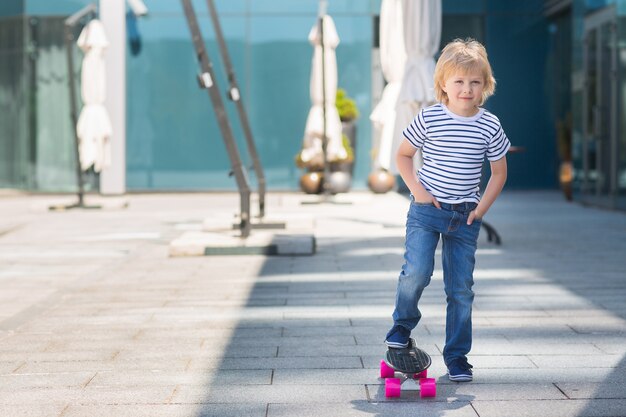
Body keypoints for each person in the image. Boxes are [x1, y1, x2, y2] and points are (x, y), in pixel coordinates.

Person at [384, 38, 510, 382]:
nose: (466, 89)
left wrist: (480, 210)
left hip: (465, 216)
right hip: (426, 212)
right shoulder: (429, 117)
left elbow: (499, 172)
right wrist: (419, 192)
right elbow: (403, 156)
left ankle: (456, 358)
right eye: (459, 81)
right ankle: (401, 328)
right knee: (417, 272)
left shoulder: (489, 124)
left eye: (474, 82)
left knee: (460, 290)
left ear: (485, 85)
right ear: (443, 83)